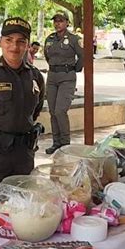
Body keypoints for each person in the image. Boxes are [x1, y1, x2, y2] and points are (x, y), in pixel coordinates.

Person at [0, 17, 45, 197]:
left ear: (27, 45)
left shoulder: (35, 76)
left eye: (21, 41)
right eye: (9, 40)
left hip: (24, 154)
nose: (14, 47)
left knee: (23, 202)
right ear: (0, 42)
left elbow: (35, 110)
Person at [43, 11, 83, 154]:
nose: (57, 23)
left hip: (67, 77)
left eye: (60, 20)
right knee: (53, 111)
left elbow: (82, 56)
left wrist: (73, 69)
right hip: (52, 76)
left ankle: (65, 144)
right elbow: (47, 56)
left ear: (67, 22)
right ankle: (56, 143)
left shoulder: (73, 39)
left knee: (60, 111)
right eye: (55, 21)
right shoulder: (50, 39)